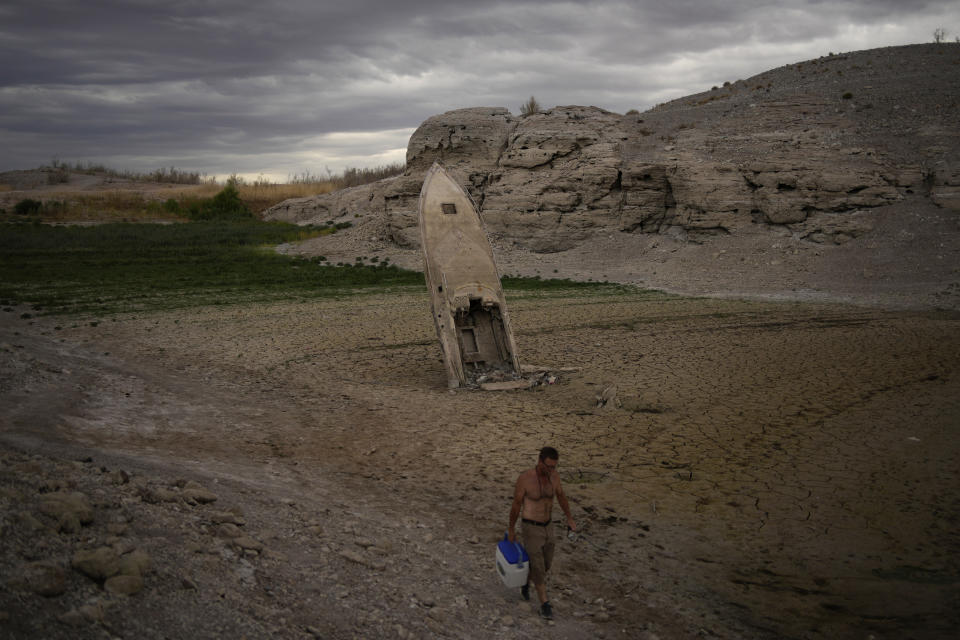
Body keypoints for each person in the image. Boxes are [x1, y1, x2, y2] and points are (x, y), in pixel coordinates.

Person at [508, 446, 576, 620]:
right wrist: (511, 529)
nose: (551, 470)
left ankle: (525, 582)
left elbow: (561, 496)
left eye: (554, 466)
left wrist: (569, 518)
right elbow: (516, 505)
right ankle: (545, 604)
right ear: (540, 461)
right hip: (530, 526)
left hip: (548, 526)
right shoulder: (525, 479)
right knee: (538, 566)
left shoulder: (554, 477)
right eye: (548, 466)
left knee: (545, 564)